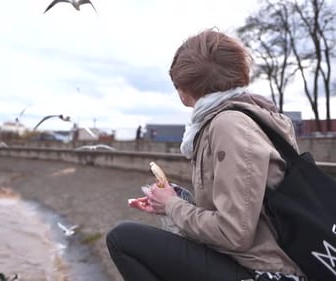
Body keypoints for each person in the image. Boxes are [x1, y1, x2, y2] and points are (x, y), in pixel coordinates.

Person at [106, 29, 307, 281]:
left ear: (184, 87)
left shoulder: (229, 125)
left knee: (123, 239)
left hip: (267, 272)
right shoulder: (251, 115)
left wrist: (171, 205)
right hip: (256, 261)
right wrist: (175, 200)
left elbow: (234, 233)